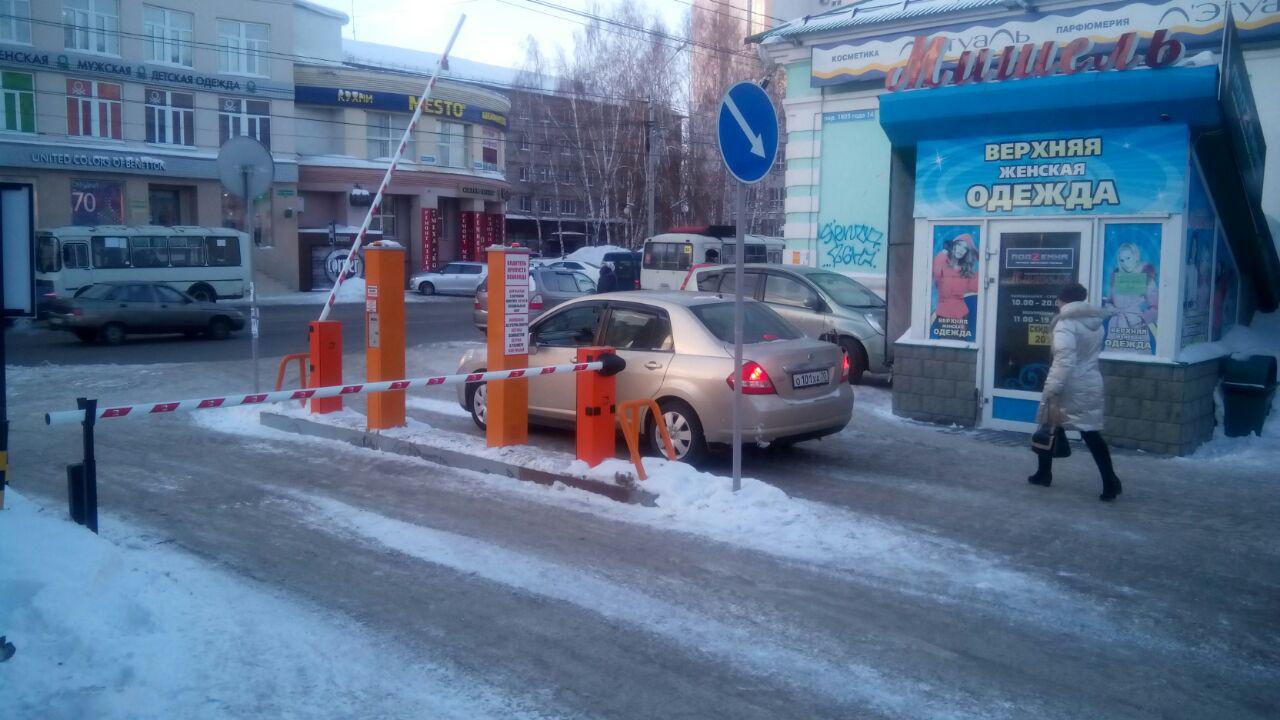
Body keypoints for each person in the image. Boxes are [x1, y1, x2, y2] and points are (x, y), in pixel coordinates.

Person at [1028, 283, 1123, 501]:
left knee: (1048, 425)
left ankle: (1044, 474)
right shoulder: (1095, 323)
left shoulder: (1065, 324)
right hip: (1089, 380)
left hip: (1068, 384)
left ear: (1063, 300)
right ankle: (1110, 481)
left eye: (1059, 299)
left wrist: (1052, 387)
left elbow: (1064, 360)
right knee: (1090, 433)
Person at [930, 233, 979, 340]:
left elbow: (975, 287)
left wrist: (982, 259)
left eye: (965, 248)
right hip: (944, 314)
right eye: (959, 245)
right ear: (954, 246)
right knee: (945, 346)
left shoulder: (965, 271)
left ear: (967, 252)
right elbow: (935, 273)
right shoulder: (942, 263)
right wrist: (944, 253)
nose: (961, 250)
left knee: (960, 345)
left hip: (961, 316)